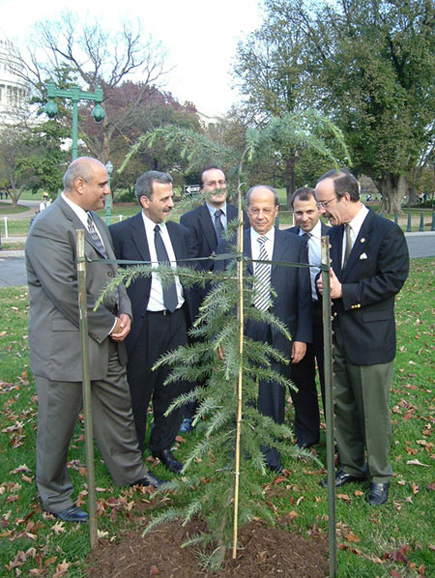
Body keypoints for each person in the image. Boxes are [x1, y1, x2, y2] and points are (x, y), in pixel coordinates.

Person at [25, 157, 164, 524]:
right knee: (59, 425)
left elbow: (117, 276)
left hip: (106, 340)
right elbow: (65, 292)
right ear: (79, 185)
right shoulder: (48, 226)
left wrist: (126, 312)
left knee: (118, 411)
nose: (108, 190)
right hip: (65, 349)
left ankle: (131, 473)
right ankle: (54, 497)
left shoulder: (97, 223)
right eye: (102, 184)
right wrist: (109, 324)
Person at [315, 169, 409, 506]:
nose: (322, 210)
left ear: (346, 197)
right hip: (340, 335)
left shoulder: (387, 232)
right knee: (343, 405)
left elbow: (393, 280)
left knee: (373, 411)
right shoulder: (335, 234)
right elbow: (330, 275)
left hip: (372, 338)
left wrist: (346, 291)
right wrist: (323, 284)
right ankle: (352, 465)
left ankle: (380, 475)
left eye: (325, 203)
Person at [216, 185, 312, 472]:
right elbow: (218, 293)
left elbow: (303, 295)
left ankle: (270, 454)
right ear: (246, 211)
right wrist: (220, 336)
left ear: (276, 211)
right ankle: (242, 451)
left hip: (279, 329)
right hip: (242, 330)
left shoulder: (294, 245)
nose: (260, 216)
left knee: (273, 393)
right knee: (242, 392)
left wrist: (302, 337)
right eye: (254, 210)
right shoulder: (232, 243)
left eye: (266, 210)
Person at [110, 171, 192, 474]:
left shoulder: (180, 234)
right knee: (138, 391)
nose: (171, 203)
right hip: (143, 326)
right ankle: (133, 456)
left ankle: (163, 446)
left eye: (172, 197)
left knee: (172, 389)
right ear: (145, 200)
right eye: (165, 198)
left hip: (177, 323)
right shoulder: (120, 234)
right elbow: (113, 283)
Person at [179, 165, 248, 432]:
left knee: (234, 354)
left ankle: (235, 407)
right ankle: (191, 413)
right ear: (202, 189)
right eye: (211, 183)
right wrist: (220, 282)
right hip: (202, 301)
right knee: (198, 357)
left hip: (237, 299)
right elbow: (194, 263)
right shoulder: (190, 220)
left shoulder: (240, 216)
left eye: (221, 181)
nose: (218, 187)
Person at [286, 187, 330, 447]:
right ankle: (307, 433)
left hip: (326, 313)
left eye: (309, 211)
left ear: (320, 209)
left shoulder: (332, 235)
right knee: (300, 377)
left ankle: (337, 434)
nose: (304, 218)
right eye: (299, 213)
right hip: (297, 316)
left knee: (329, 376)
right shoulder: (288, 239)